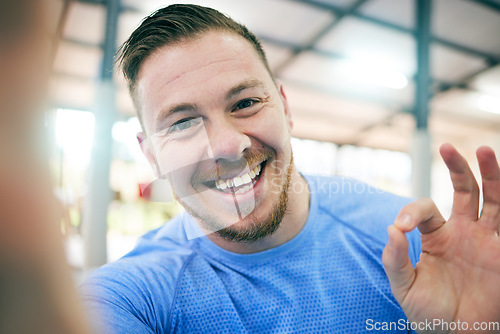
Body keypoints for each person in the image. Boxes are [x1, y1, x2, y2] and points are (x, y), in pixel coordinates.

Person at [82, 4, 500, 333]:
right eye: (182, 123)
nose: (228, 146)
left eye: (245, 103)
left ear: (284, 107)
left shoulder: (406, 241)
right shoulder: (133, 297)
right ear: (152, 155)